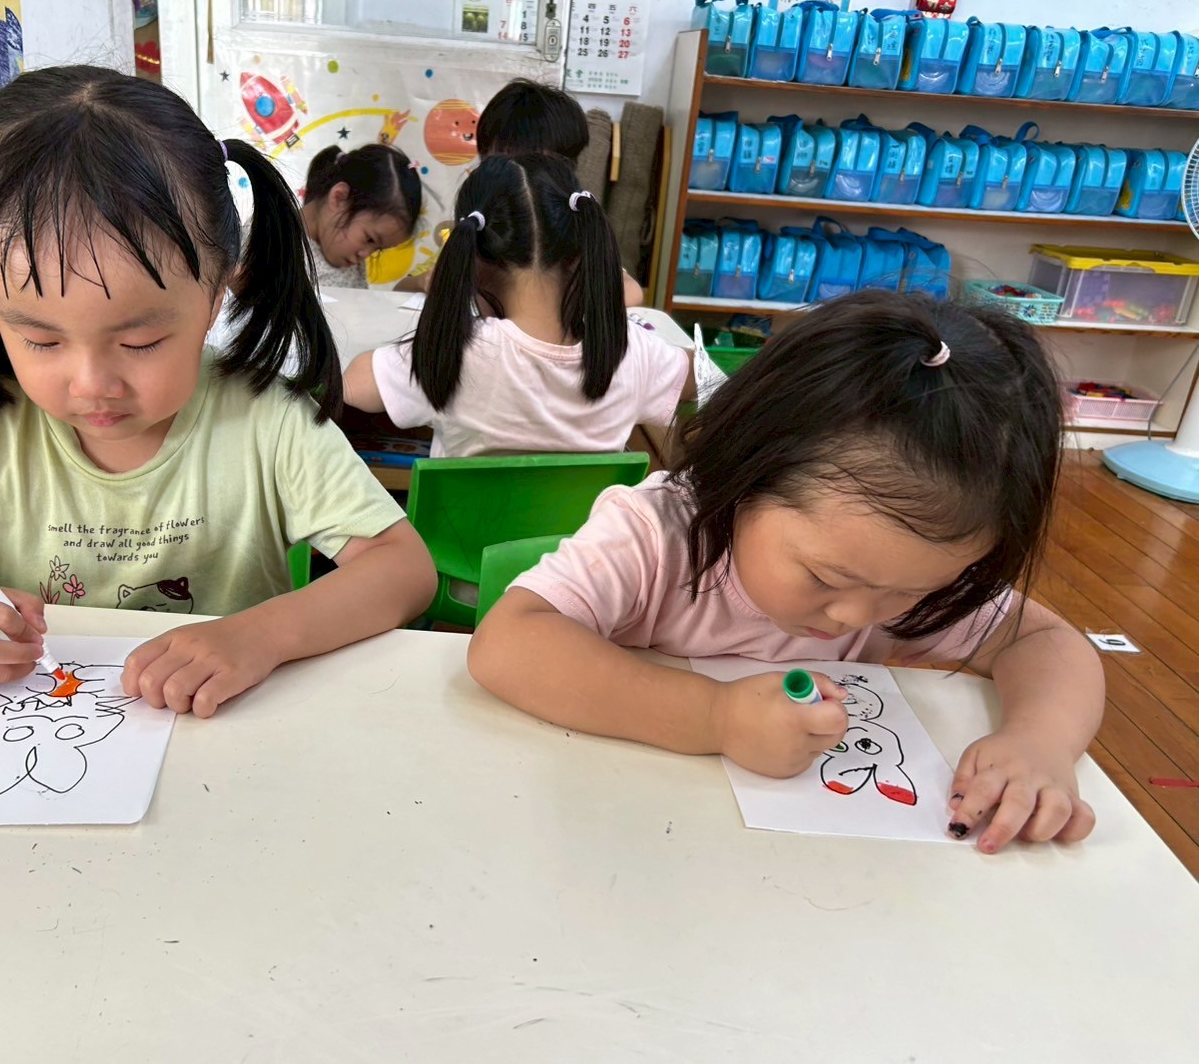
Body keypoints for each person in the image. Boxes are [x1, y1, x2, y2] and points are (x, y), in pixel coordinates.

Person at [0, 65, 436, 719]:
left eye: (140, 341)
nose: (92, 383)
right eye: (40, 340)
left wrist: (262, 635)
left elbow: (402, 570)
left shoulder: (267, 422)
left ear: (218, 291)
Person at [468, 290, 1103, 855]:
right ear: (742, 477)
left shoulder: (889, 568)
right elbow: (510, 644)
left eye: (912, 591)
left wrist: (1040, 743)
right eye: (825, 578)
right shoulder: (658, 535)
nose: (857, 616)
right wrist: (715, 718)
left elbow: (1046, 641)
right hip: (616, 835)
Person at [342, 152, 690, 457]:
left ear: (472, 261)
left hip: (469, 517)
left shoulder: (451, 354)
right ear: (580, 254)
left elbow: (353, 385)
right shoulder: (631, 351)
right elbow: (702, 382)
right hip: (588, 518)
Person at [396, 79, 644, 306]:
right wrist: (423, 281)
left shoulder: (571, 231)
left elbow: (631, 291)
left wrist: (573, 297)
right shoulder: (479, 227)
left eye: (533, 167)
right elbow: (401, 289)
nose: (518, 179)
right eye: (500, 164)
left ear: (566, 172)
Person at [300, 142, 421, 290]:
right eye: (369, 239)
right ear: (339, 198)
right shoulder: (280, 247)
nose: (365, 255)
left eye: (377, 249)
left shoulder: (349, 261)